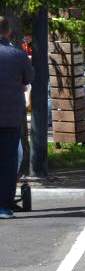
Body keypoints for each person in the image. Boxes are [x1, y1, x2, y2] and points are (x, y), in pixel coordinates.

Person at [0, 17, 33, 219]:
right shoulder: (18, 55)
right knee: (8, 160)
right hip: (10, 116)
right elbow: (29, 78)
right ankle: (4, 205)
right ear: (9, 32)